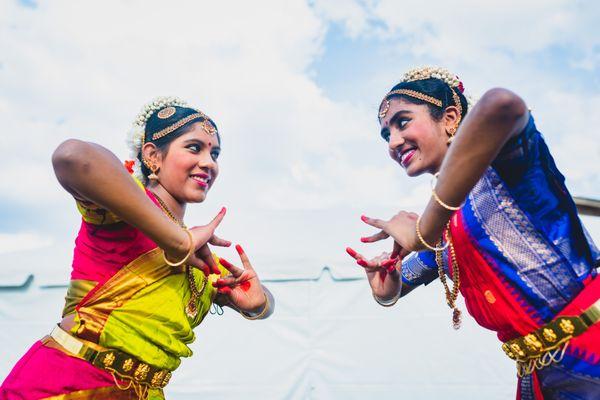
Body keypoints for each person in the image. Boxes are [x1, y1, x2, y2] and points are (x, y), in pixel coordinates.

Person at [346, 67, 600, 399]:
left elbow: (502, 105)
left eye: (403, 122)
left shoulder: (509, 167)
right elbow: (398, 284)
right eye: (385, 134)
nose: (393, 142)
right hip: (540, 376)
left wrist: (423, 231)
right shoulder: (447, 228)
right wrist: (386, 283)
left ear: (450, 117)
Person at [0, 97, 274, 400]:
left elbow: (263, 303)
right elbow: (71, 156)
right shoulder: (123, 208)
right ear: (153, 156)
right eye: (195, 147)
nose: (210, 162)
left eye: (215, 153)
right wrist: (178, 241)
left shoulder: (199, 255)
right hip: (66, 384)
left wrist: (259, 305)